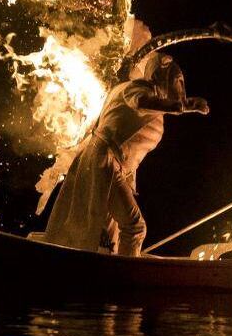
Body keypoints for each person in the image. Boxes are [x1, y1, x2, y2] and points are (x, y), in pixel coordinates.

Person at [43, 52, 209, 256]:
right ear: (160, 76)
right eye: (179, 81)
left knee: (109, 233)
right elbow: (140, 102)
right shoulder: (136, 89)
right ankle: (125, 276)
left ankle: (110, 269)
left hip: (111, 164)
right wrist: (183, 106)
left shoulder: (148, 98)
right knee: (134, 227)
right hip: (104, 161)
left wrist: (185, 105)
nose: (182, 88)